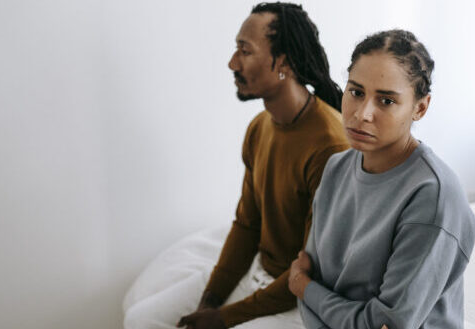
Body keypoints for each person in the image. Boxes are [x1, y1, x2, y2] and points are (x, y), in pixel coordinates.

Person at [124, 3, 348, 329]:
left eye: (245, 51)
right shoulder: (260, 128)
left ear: (283, 62)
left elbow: (313, 267)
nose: (232, 62)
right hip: (258, 274)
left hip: (300, 301)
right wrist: (209, 300)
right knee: (140, 319)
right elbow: (247, 225)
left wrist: (223, 318)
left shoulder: (331, 147)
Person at [288, 29, 475, 329]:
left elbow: (385, 324)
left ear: (420, 108)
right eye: (356, 92)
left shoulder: (433, 196)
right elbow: (312, 272)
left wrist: (305, 289)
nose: (362, 114)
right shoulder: (336, 167)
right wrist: (308, 289)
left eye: (386, 101)